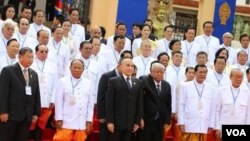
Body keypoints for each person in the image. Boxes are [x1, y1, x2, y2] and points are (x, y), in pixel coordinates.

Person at [0, 47, 41, 141]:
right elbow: (3, 93)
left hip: (27, 116)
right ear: (20, 57)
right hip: (11, 115)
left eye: (32, 57)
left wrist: (35, 113)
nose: (31, 60)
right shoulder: (8, 70)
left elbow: (36, 95)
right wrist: (3, 111)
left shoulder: (34, 74)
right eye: (28, 57)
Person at [53, 59, 94, 141]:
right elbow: (58, 102)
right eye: (74, 67)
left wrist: (89, 120)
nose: (77, 70)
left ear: (83, 69)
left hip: (81, 121)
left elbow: (90, 105)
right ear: (70, 68)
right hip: (66, 120)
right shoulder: (62, 81)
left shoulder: (88, 83)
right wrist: (59, 118)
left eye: (79, 68)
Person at [105, 58, 143, 141]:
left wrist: (137, 121)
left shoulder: (138, 82)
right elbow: (109, 103)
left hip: (130, 123)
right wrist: (110, 121)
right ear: (121, 67)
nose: (130, 68)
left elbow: (139, 103)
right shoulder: (113, 81)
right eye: (127, 65)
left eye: (132, 66)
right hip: (116, 123)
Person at [178, 64, 216, 141]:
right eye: (200, 72)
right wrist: (181, 122)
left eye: (204, 72)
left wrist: (211, 124)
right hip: (189, 123)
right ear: (195, 73)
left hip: (203, 123)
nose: (202, 74)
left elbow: (212, 107)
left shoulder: (211, 88)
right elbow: (181, 105)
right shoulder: (185, 86)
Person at [29, 44, 58, 140]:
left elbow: (55, 84)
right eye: (41, 51)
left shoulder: (52, 65)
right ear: (36, 52)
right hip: (32, 101)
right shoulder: (30, 64)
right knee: (31, 124)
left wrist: (53, 99)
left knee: (42, 125)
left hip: (46, 101)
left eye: (46, 52)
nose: (44, 53)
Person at [140, 61, 172, 141]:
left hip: (160, 122)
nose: (159, 74)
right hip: (146, 120)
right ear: (151, 72)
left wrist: (167, 121)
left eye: (161, 72)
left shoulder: (166, 85)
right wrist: (140, 118)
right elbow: (139, 101)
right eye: (157, 72)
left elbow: (168, 104)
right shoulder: (144, 81)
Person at [215, 68, 250, 141]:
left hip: (240, 129)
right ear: (230, 77)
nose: (238, 79)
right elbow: (216, 111)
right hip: (223, 126)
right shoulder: (221, 91)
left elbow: (248, 113)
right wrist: (217, 127)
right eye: (236, 76)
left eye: (240, 77)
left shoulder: (247, 93)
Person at [97, 58, 123, 141]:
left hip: (119, 117)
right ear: (119, 66)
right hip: (106, 116)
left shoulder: (127, 78)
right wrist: (101, 115)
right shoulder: (106, 76)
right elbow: (101, 96)